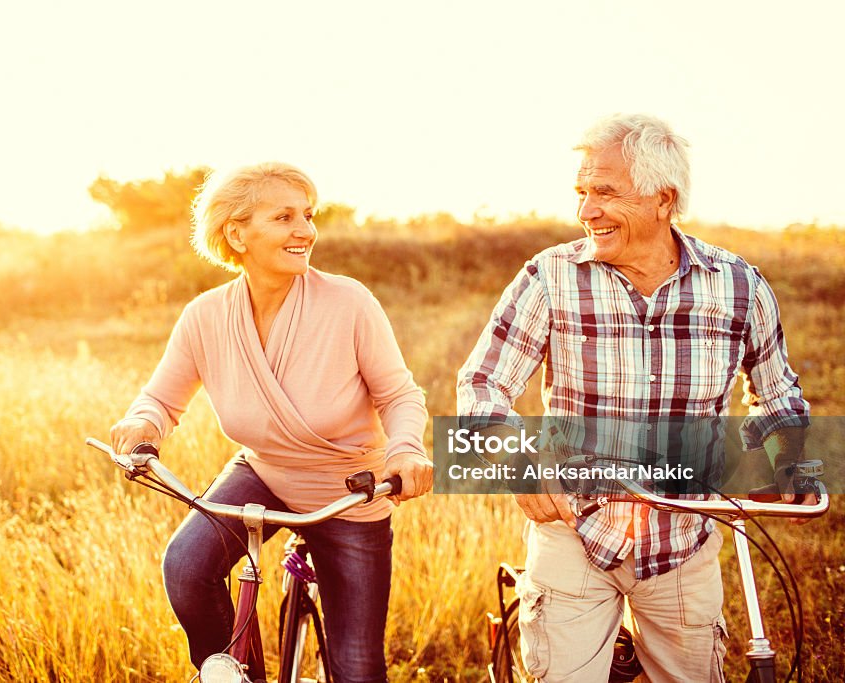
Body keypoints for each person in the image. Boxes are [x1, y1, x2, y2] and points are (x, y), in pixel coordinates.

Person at [457, 114, 812, 682]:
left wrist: (790, 458)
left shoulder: (739, 285)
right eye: (581, 192)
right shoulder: (550, 276)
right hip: (575, 531)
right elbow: (483, 384)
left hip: (684, 538)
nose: (585, 211)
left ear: (663, 199)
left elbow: (777, 392)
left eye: (605, 193)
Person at [110, 161, 433, 682]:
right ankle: (232, 676)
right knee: (187, 569)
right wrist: (142, 426)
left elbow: (399, 395)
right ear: (236, 232)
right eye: (284, 217)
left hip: (351, 490)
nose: (306, 230)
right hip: (263, 474)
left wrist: (406, 451)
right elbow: (160, 401)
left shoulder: (350, 302)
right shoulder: (205, 316)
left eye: (308, 215)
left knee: (356, 667)